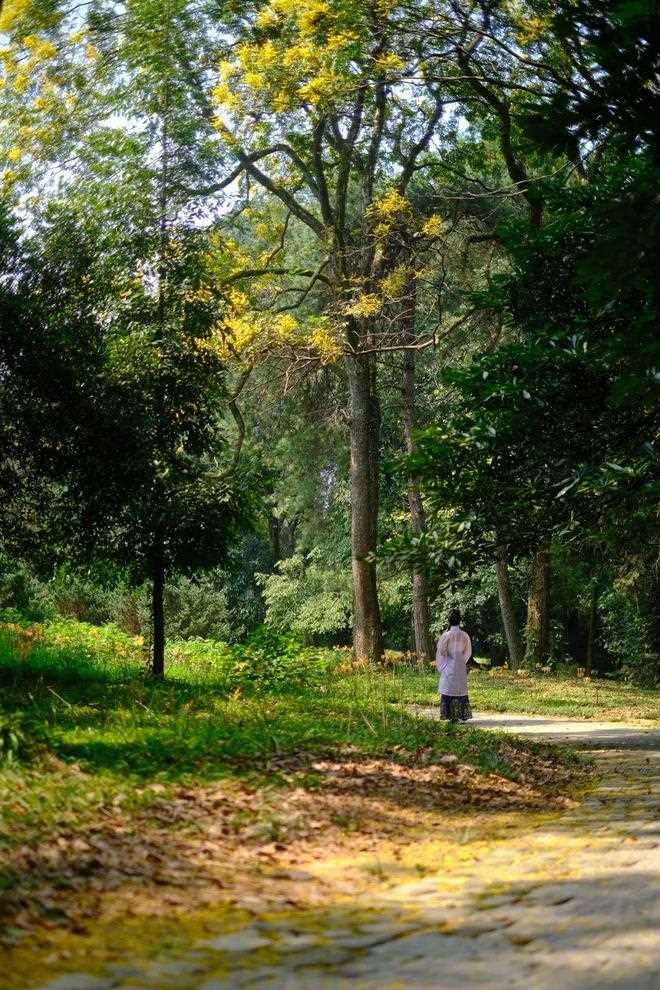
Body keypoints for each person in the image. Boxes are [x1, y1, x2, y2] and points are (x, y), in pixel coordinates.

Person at [436, 608, 473, 722]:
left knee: (448, 689)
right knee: (460, 689)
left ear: (449, 620)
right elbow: (468, 652)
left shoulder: (446, 635)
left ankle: (447, 715)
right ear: (460, 620)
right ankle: (462, 716)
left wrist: (448, 657)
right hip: (460, 665)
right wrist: (461, 660)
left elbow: (441, 651)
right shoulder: (465, 635)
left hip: (448, 664)